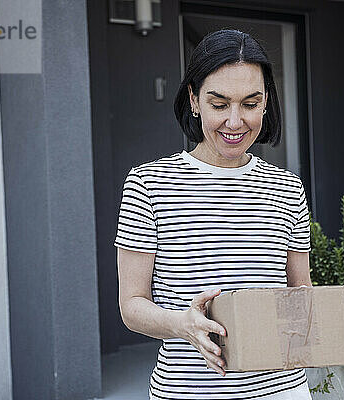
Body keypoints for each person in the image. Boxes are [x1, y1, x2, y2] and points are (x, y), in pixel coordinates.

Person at [114, 29, 313, 400]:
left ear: (266, 101)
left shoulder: (288, 188)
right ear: (194, 100)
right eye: (219, 104)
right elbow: (131, 306)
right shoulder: (149, 184)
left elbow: (300, 292)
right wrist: (182, 323)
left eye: (250, 103)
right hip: (187, 392)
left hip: (282, 391)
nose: (235, 122)